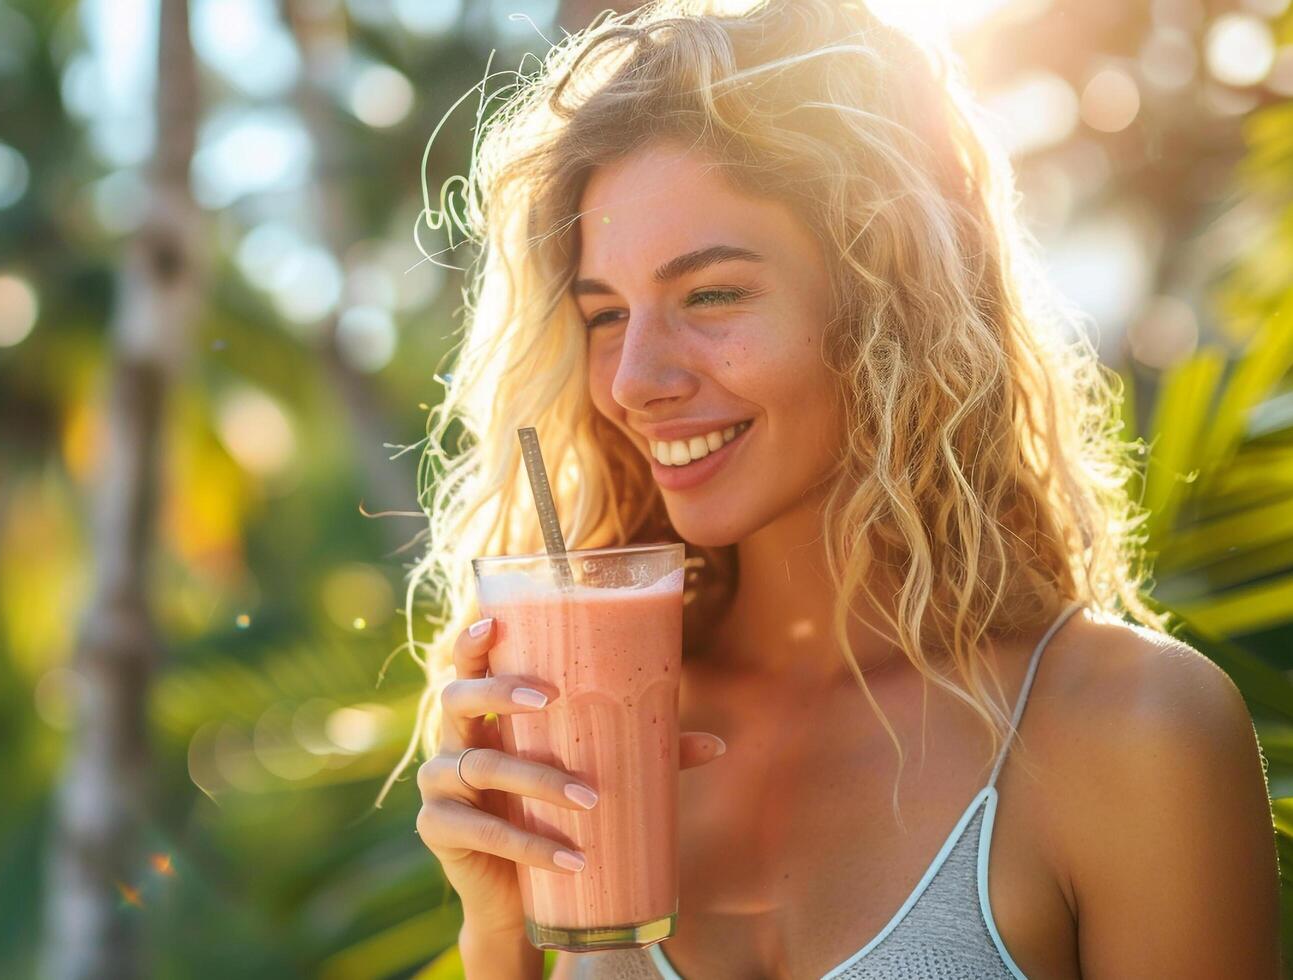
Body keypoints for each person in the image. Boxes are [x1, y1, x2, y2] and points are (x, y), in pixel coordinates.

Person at [378, 1, 1284, 977]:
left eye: (710, 293)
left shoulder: (1131, 726)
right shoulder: (596, 740)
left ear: (884, 303)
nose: (635, 378)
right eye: (605, 314)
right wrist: (499, 936)